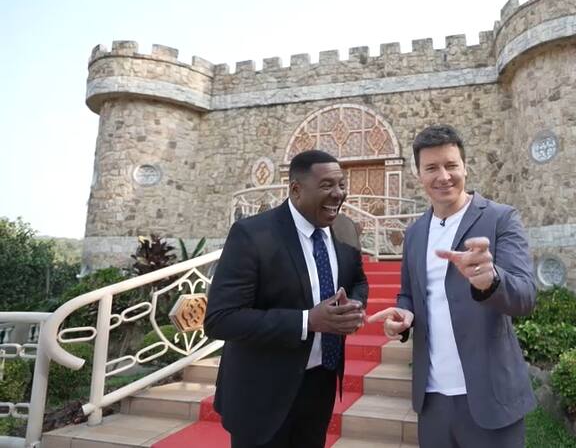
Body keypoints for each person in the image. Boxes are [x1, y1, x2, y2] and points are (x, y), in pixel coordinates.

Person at [368, 125, 536, 447]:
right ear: (418, 174)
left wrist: (491, 281)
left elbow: (526, 296)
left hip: (490, 398)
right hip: (432, 400)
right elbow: (409, 293)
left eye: (451, 165)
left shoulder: (501, 219)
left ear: (465, 167)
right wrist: (404, 316)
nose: (443, 176)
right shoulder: (415, 233)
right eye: (431, 168)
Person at [204, 149, 368, 448]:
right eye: (327, 185)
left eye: (341, 184)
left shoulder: (344, 229)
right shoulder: (252, 234)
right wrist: (307, 320)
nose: (338, 194)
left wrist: (355, 305)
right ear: (296, 189)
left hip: (321, 382)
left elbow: (358, 280)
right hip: (262, 392)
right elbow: (220, 319)